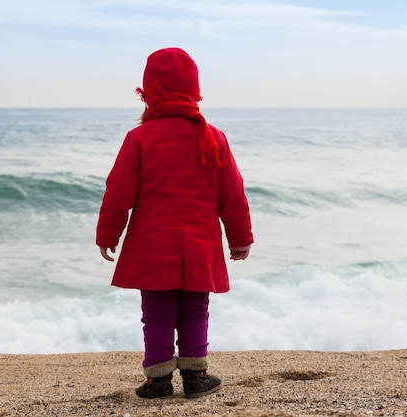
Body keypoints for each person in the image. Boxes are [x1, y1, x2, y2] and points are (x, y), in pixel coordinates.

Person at [96, 47, 254, 399]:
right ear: (194, 90)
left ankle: (158, 380)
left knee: (156, 312)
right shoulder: (213, 136)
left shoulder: (139, 137)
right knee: (196, 310)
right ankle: (196, 377)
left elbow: (118, 193)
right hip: (200, 244)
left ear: (148, 92)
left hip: (153, 246)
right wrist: (240, 238)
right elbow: (233, 193)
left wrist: (108, 235)